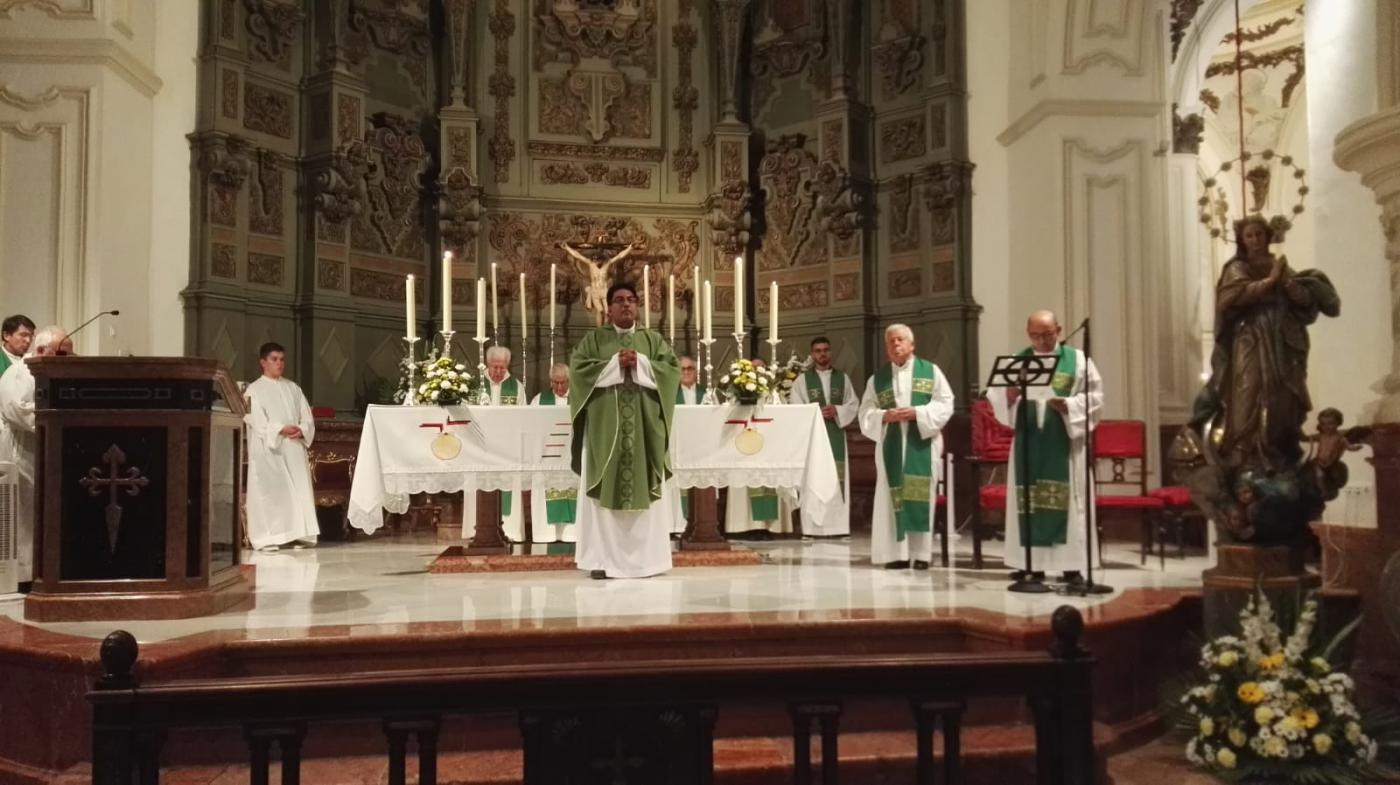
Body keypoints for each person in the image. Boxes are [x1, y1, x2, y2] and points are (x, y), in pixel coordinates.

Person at [569, 281, 680, 578]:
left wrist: (641, 363)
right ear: (609, 307)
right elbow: (578, 371)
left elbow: (671, 371)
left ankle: (648, 561)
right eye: (619, 300)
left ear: (637, 305)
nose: (626, 304)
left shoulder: (652, 340)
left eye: (631, 299)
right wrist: (616, 363)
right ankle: (602, 560)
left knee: (644, 489)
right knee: (604, 491)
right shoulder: (594, 340)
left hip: (643, 432)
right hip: (605, 433)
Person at [988, 311, 1103, 583]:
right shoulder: (1018, 361)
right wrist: (1009, 395)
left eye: (1047, 334)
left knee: (1068, 503)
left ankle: (1072, 566)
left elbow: (1096, 396)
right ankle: (1031, 565)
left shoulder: (1077, 361)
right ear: (1028, 333)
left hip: (1062, 441)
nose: (1041, 341)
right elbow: (996, 394)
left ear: (1059, 330)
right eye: (1035, 335)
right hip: (1029, 441)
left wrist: (1070, 405)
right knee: (1028, 502)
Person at [857, 324, 955, 569]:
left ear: (912, 345)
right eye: (890, 342)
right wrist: (883, 416)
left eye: (900, 340)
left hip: (921, 443)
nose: (895, 345)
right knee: (891, 498)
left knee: (919, 494)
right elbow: (865, 412)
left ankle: (920, 555)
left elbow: (945, 403)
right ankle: (895, 555)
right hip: (891, 444)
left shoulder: (931, 372)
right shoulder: (877, 379)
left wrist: (918, 413)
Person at [0, 326, 71, 590]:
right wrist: (56, 417)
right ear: (41, 351)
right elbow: (18, 410)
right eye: (62, 354)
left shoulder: (59, 375)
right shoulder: (19, 373)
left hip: (50, 451)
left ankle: (47, 570)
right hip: (24, 453)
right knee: (25, 515)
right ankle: (24, 577)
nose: (68, 361)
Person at [244, 342, 320, 552]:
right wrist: (279, 429)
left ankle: (299, 533)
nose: (279, 364)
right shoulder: (254, 390)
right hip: (271, 449)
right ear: (263, 362)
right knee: (272, 493)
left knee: (298, 489)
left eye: (282, 359)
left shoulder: (293, 388)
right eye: (274, 359)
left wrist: (302, 429)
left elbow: (307, 416)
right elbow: (254, 419)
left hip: (294, 446)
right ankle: (269, 537)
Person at [789, 336, 858, 537]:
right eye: (818, 351)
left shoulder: (843, 378)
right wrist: (816, 413)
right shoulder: (802, 381)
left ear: (831, 352)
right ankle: (812, 527)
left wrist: (836, 410)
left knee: (837, 477)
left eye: (826, 350)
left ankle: (837, 527)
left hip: (835, 433)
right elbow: (796, 408)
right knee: (814, 477)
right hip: (812, 439)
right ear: (812, 354)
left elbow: (853, 404)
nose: (822, 354)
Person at [723, 356, 790, 537]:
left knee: (768, 482)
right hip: (742, 446)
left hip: (768, 447)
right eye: (752, 369)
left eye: (760, 369)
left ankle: (770, 527)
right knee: (744, 481)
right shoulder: (736, 394)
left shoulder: (774, 395)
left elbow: (781, 419)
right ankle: (744, 526)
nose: (755, 372)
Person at [529, 363, 577, 544]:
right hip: (547, 457)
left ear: (569, 381)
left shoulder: (579, 399)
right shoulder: (539, 400)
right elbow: (532, 429)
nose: (559, 387)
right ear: (550, 382)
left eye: (563, 383)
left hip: (572, 457)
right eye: (555, 383)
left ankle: (571, 534)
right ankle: (546, 534)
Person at [0, 315, 35, 379]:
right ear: (6, 336)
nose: (28, 340)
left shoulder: (31, 360)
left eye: (31, 336)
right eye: (23, 335)